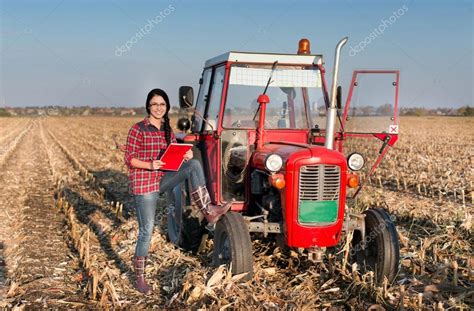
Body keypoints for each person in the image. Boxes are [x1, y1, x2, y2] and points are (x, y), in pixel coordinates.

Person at [124, 88, 231, 294]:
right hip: (145, 183)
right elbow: (129, 159)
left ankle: (207, 209)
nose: (158, 108)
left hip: (162, 179)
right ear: (148, 106)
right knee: (146, 231)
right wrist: (150, 165)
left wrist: (185, 156)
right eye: (154, 104)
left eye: (162, 104)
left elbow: (173, 153)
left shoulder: (166, 129)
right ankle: (140, 278)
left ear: (166, 107)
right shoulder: (138, 129)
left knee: (194, 166)